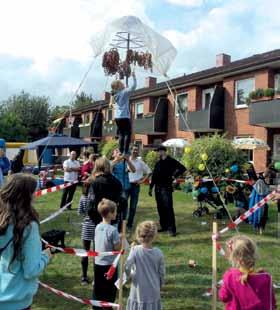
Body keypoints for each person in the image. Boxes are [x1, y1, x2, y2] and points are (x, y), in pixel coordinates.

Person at [0, 173, 52, 310]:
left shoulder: (2, 221)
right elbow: (31, 270)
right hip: (15, 300)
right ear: (25, 196)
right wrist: (46, 256)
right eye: (33, 192)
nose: (35, 196)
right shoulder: (29, 227)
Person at [219, 235, 276, 310]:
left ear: (234, 257)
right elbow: (272, 302)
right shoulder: (266, 277)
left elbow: (224, 297)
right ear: (253, 253)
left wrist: (220, 289)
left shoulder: (230, 276)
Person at [125, 221, 165, 310]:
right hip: (153, 289)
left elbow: (127, 266)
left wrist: (131, 274)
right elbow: (161, 273)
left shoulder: (135, 250)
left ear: (139, 235)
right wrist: (161, 284)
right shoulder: (159, 253)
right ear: (154, 236)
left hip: (138, 289)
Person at [149, 146, 186, 236]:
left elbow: (182, 168)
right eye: (157, 151)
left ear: (164, 151)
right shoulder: (158, 163)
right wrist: (150, 188)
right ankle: (164, 226)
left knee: (168, 208)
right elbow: (154, 176)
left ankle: (172, 229)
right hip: (157, 189)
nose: (158, 153)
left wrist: (173, 176)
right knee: (160, 208)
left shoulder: (171, 161)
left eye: (159, 151)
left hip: (166, 188)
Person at [93, 198, 121, 310]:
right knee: (110, 289)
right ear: (110, 214)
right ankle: (108, 306)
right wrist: (120, 240)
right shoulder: (113, 230)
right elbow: (117, 248)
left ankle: (97, 307)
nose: (116, 213)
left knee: (98, 288)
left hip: (98, 263)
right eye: (115, 211)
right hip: (110, 266)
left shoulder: (98, 226)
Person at [88, 156, 122, 226]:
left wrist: (91, 216)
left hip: (97, 218)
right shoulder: (117, 182)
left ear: (97, 167)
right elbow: (121, 201)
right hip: (112, 217)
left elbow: (91, 202)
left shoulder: (95, 182)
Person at [110, 72, 137, 156]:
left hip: (117, 117)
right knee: (128, 133)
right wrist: (134, 77)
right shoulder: (124, 92)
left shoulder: (115, 95)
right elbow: (133, 87)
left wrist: (117, 78)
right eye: (122, 84)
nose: (123, 85)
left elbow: (115, 87)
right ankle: (126, 151)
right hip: (124, 116)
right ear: (119, 86)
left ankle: (121, 150)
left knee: (121, 134)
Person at [127, 145, 151, 231]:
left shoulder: (140, 162)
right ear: (130, 151)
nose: (135, 151)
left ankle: (129, 224)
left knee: (133, 207)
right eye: (133, 150)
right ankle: (122, 223)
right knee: (124, 205)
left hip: (135, 186)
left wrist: (142, 181)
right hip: (126, 185)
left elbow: (149, 171)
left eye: (137, 150)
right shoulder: (126, 160)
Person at [111, 148, 135, 230]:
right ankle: (114, 224)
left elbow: (133, 170)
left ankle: (122, 226)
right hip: (115, 189)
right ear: (113, 155)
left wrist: (128, 160)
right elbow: (108, 169)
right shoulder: (111, 163)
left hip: (125, 189)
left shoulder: (124, 163)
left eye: (120, 152)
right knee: (115, 207)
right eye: (117, 151)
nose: (119, 153)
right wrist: (117, 159)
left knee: (124, 208)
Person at [77, 182, 95, 285]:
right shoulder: (96, 198)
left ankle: (84, 277)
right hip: (96, 227)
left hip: (86, 227)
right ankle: (96, 278)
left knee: (85, 253)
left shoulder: (82, 198)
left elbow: (80, 212)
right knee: (97, 254)